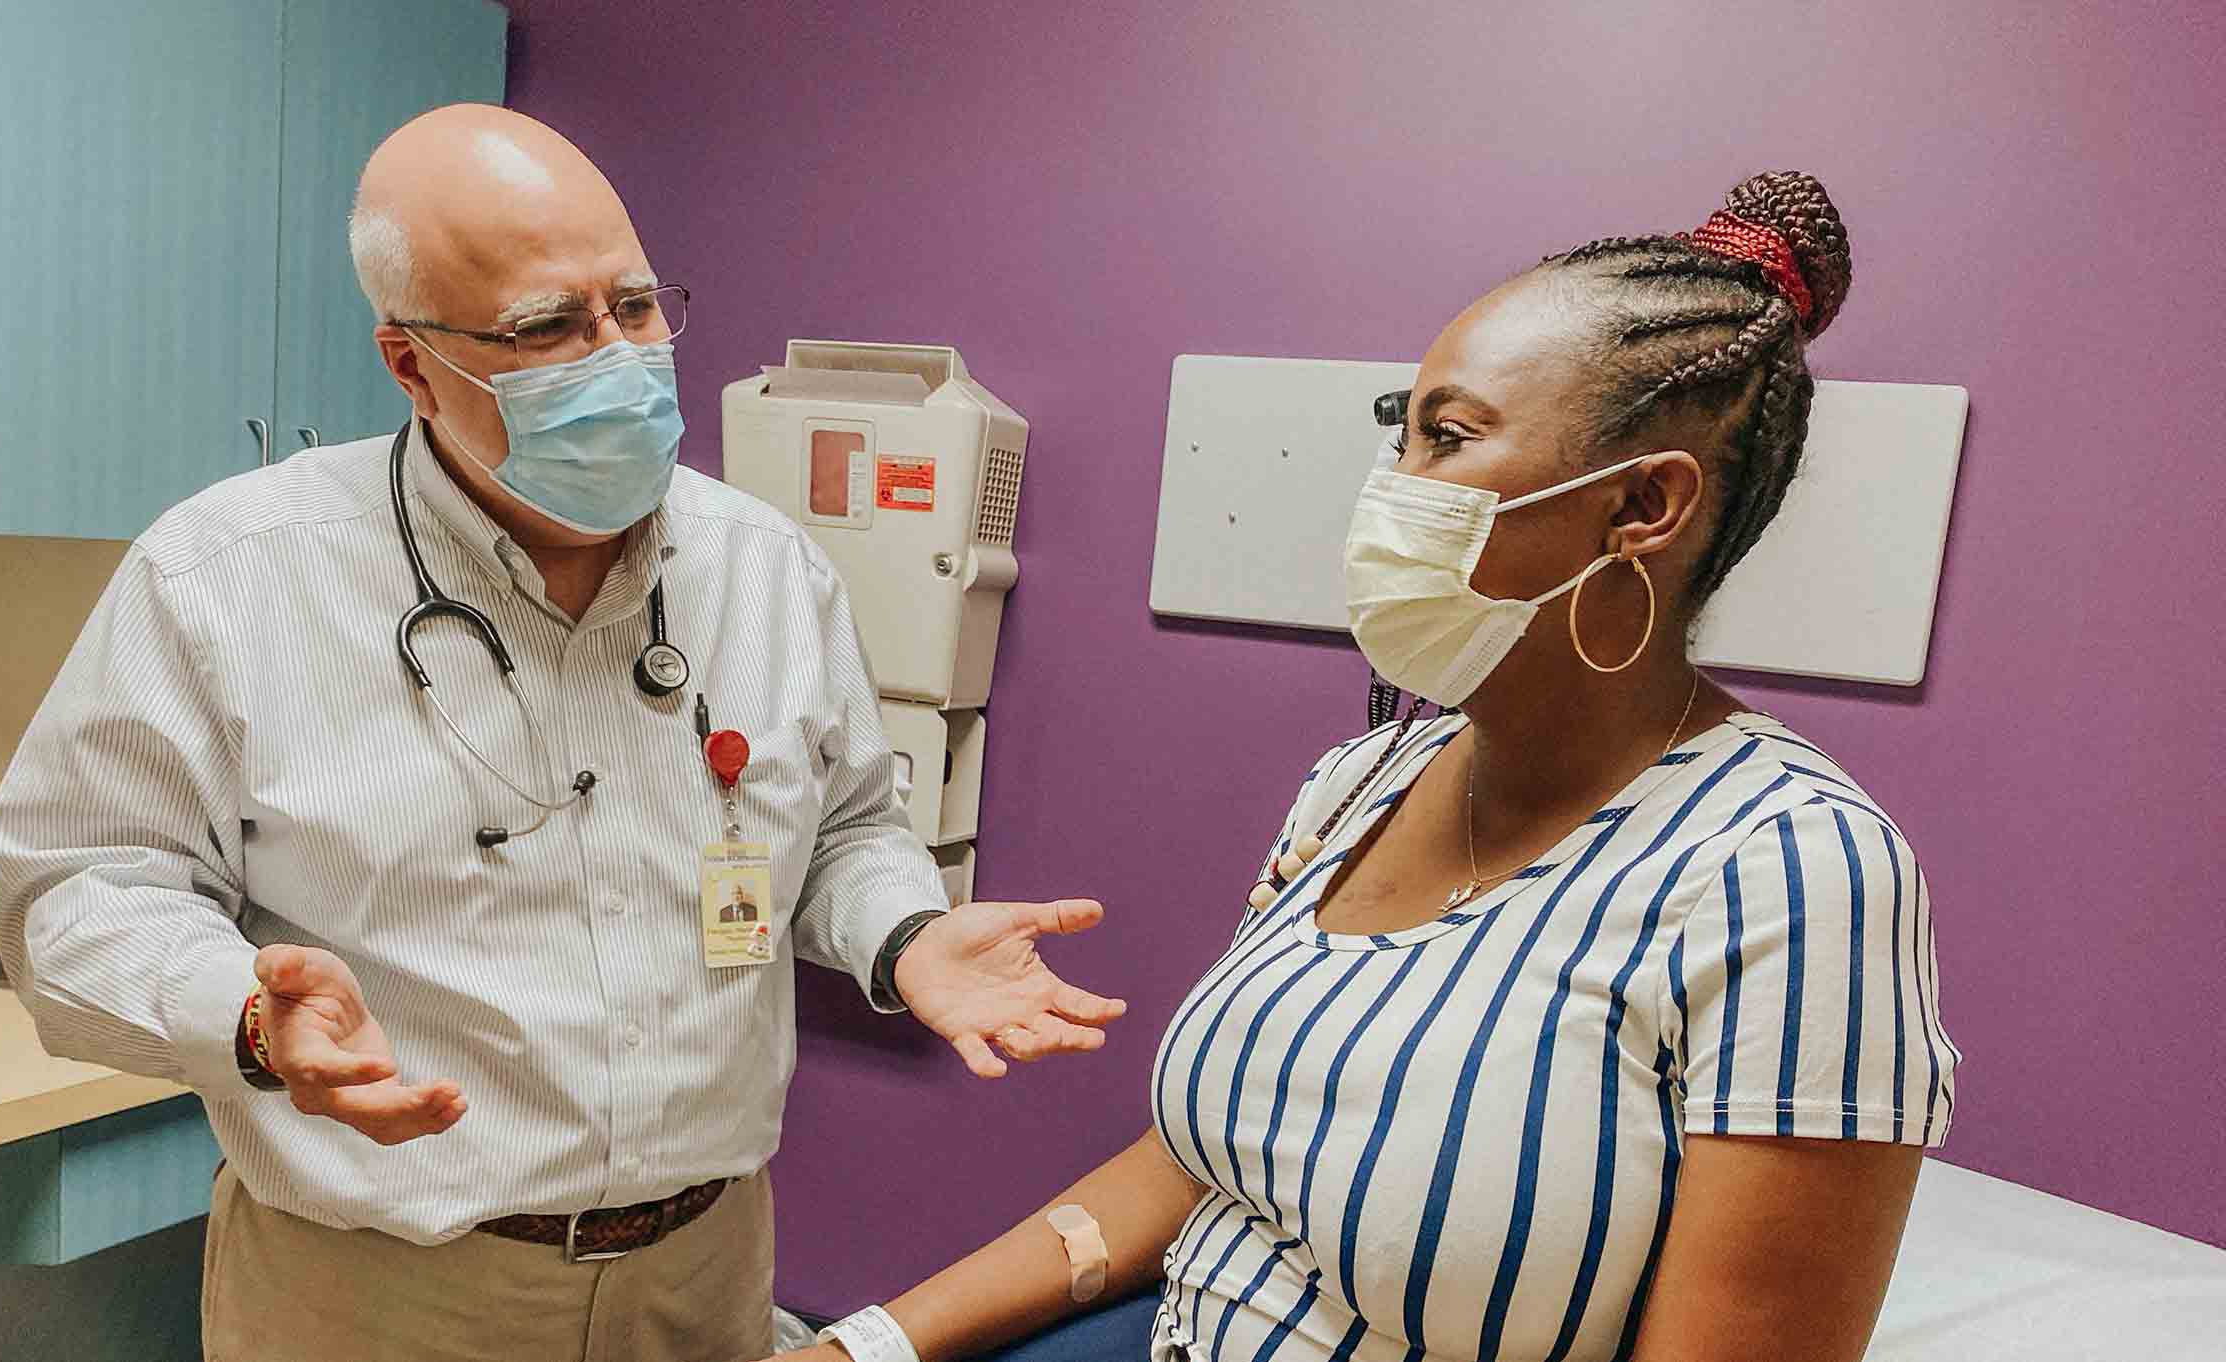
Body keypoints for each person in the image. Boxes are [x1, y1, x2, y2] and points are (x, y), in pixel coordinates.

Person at [0, 105, 1126, 1362]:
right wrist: (246, 1018)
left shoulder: (766, 572)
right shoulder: (227, 578)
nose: (618, 357)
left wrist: (904, 934)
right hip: (379, 1294)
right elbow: (76, 893)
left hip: (704, 1275)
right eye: (545, 328)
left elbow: (847, 828)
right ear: (411, 364)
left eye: (635, 308)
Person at [773, 171, 1959, 1362]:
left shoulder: (1796, 877)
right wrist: (863, 1346)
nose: (1391, 490)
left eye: (1448, 438)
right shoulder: (1366, 780)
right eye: (1401, 433)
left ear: (1642, 504)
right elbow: (1203, 1170)